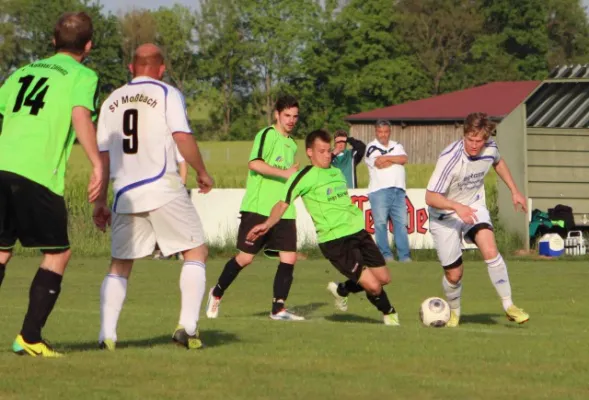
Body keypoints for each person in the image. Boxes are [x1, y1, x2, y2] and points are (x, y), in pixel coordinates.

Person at [92, 43, 214, 350]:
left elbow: (102, 157)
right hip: (162, 186)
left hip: (124, 194)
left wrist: (100, 201)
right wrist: (201, 171)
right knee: (195, 251)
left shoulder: (111, 102)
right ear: (161, 69)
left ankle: (107, 334)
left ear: (131, 68)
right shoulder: (166, 93)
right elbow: (182, 136)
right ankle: (187, 326)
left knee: (120, 263)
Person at [0, 12, 102, 357]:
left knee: (0, 250)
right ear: (88, 46)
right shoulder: (82, 75)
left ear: (52, 42)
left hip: (1, 167)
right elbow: (79, 115)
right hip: (36, 173)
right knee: (58, 252)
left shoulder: (22, 72)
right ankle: (30, 337)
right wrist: (97, 162)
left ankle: (29, 337)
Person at [246, 130, 400, 325]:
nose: (328, 155)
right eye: (322, 151)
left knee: (384, 278)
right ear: (310, 152)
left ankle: (342, 290)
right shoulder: (303, 176)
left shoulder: (336, 172)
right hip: (335, 241)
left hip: (358, 233)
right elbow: (282, 204)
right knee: (374, 286)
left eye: (329, 150)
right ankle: (390, 314)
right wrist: (267, 224)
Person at [425, 112, 529, 327]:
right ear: (464, 135)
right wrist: (456, 206)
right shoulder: (449, 158)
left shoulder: (490, 148)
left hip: (473, 206)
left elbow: (498, 162)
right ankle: (454, 313)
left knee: (490, 249)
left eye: (478, 140)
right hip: (444, 215)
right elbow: (430, 197)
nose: (474, 145)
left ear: (486, 138)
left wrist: (514, 191)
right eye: (470, 140)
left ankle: (509, 305)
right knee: (454, 275)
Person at [205, 95, 303, 321]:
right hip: (258, 207)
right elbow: (254, 163)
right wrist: (285, 173)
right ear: (277, 114)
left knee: (289, 258)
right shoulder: (267, 134)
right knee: (245, 258)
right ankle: (217, 293)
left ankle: (278, 309)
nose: (291, 120)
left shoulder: (292, 144)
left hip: (283, 210)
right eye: (287, 115)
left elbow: (287, 176)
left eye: (295, 116)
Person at [364, 120, 411, 263]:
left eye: (386, 132)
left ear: (389, 132)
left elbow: (404, 159)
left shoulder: (397, 145)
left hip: (399, 190)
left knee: (401, 224)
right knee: (380, 224)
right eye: (380, 132)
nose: (383, 135)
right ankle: (386, 255)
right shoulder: (371, 147)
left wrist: (386, 158)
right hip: (379, 191)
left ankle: (404, 256)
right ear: (376, 132)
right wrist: (392, 160)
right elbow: (379, 164)